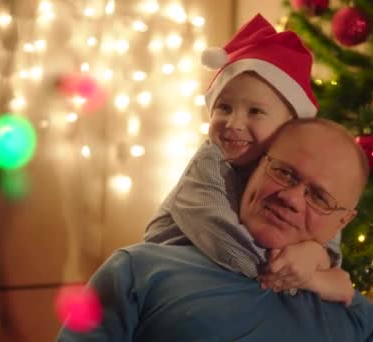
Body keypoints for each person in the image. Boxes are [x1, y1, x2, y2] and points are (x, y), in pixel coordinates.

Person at [58, 118, 373, 341]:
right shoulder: (139, 271)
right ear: (255, 168)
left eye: (319, 197)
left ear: (343, 221)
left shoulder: (362, 322)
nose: (291, 198)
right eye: (285, 173)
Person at [144, 14, 352, 301]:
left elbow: (326, 238)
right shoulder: (207, 166)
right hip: (175, 278)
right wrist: (314, 277)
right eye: (224, 108)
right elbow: (229, 246)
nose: (233, 123)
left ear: (289, 126)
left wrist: (317, 254)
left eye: (255, 112)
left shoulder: (285, 176)